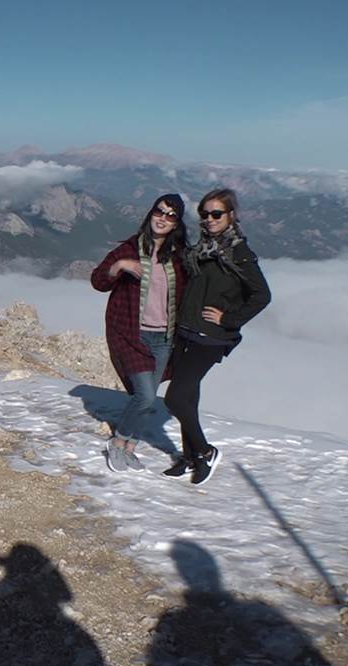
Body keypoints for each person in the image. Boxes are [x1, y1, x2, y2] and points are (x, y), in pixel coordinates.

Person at [163, 189, 271, 485]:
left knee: (174, 399)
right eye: (205, 214)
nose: (210, 219)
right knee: (188, 397)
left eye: (216, 214)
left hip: (210, 338)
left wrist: (229, 319)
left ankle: (206, 451)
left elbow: (262, 295)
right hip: (186, 331)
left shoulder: (239, 253)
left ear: (231, 216)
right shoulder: (204, 249)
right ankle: (190, 458)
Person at [90, 194, 187, 472]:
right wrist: (120, 266)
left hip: (164, 338)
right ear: (151, 213)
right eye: (160, 211)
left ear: (176, 224)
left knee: (148, 398)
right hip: (132, 335)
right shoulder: (130, 248)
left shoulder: (179, 256)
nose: (163, 218)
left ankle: (130, 449)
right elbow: (98, 281)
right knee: (144, 396)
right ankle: (118, 443)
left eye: (171, 216)